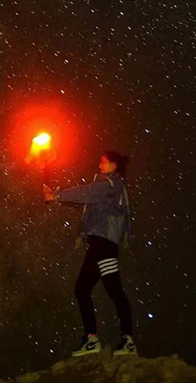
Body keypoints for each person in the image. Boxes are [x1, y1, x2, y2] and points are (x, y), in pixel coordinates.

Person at [43, 151, 136, 357]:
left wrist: (57, 195)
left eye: (103, 162)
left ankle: (121, 340)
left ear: (113, 166)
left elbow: (88, 192)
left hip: (104, 244)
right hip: (100, 244)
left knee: (110, 290)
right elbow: (87, 200)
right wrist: (56, 197)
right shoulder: (107, 188)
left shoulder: (111, 185)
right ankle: (97, 339)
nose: (99, 165)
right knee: (88, 289)